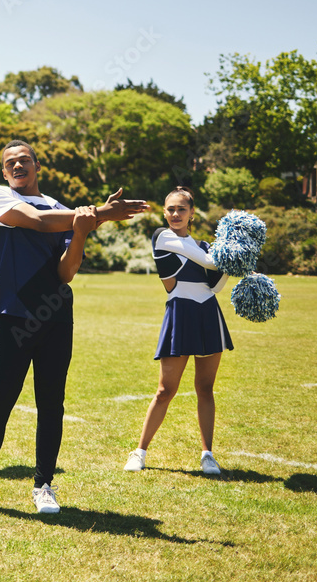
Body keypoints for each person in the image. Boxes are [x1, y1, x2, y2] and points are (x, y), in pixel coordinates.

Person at [0, 140, 148, 516]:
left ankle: (43, 485)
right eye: (10, 162)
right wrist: (102, 212)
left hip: (56, 315)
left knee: (51, 404)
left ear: (37, 165)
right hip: (13, 314)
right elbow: (36, 221)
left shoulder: (64, 208)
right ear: (3, 171)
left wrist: (82, 231)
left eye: (24, 160)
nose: (17, 166)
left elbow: (66, 272)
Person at [124, 186, 232, 476]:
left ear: (192, 213)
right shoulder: (163, 237)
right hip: (180, 313)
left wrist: (233, 262)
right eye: (170, 209)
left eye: (181, 209)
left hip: (208, 313)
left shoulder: (206, 247)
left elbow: (217, 286)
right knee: (165, 390)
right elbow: (210, 263)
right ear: (164, 212)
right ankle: (140, 451)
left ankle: (207, 454)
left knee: (205, 388)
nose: (175, 214)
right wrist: (229, 255)